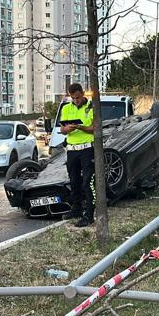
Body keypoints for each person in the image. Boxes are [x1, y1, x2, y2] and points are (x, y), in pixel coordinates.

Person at [60, 83, 95, 227]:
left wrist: (81, 127)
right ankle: (77, 209)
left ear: (83, 93)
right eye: (73, 98)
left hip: (87, 149)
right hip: (72, 150)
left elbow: (94, 128)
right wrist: (67, 129)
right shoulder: (66, 107)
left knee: (87, 182)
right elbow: (62, 129)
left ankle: (89, 214)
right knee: (74, 181)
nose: (76, 101)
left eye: (78, 97)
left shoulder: (91, 107)